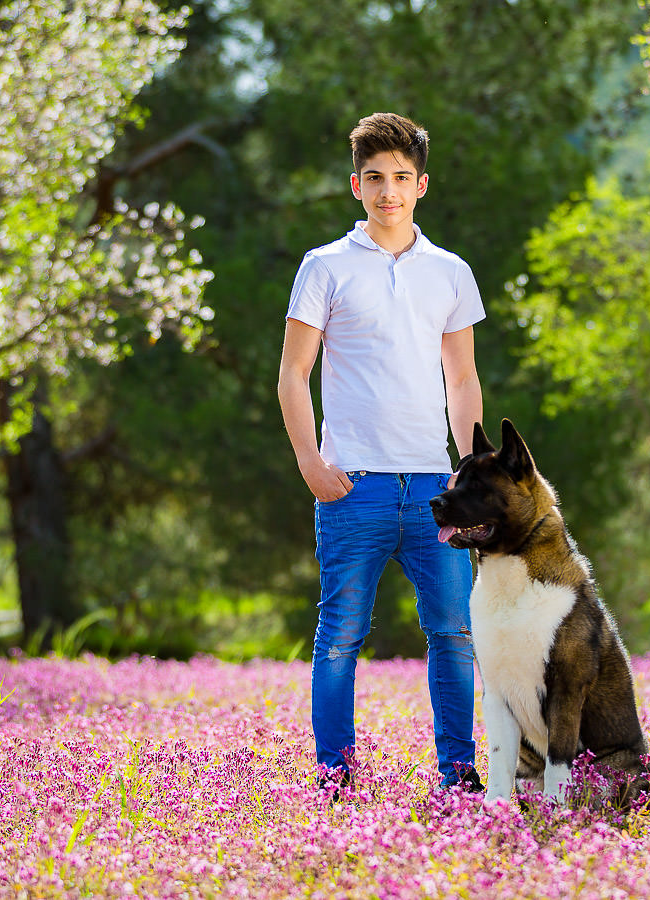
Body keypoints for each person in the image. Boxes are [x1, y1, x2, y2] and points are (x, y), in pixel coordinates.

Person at [276, 112, 485, 796]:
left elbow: (462, 378)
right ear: (355, 186)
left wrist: (471, 470)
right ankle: (334, 777)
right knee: (339, 638)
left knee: (454, 636)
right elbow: (293, 374)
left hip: (435, 490)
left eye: (400, 178)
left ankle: (459, 776)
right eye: (374, 179)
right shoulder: (324, 267)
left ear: (421, 185)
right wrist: (309, 460)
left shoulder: (451, 273)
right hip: (352, 487)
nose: (387, 191)